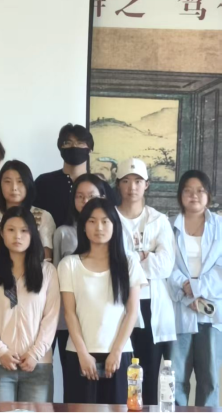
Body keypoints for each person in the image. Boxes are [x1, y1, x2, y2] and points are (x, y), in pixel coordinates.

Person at [58, 198, 146, 404]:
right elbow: (69, 313)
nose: (99, 227)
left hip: (119, 354)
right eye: (92, 221)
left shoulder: (129, 263)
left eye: (105, 221)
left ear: (115, 226)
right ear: (83, 226)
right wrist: (83, 354)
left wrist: (116, 352)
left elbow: (132, 312)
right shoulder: (69, 264)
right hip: (79, 354)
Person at [0, 206, 59, 402]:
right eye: (11, 230)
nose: (17, 236)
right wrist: (1, 351)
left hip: (37, 365)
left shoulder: (47, 271)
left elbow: (51, 317)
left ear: (33, 234)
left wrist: (35, 354)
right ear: (1, 233)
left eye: (24, 230)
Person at [115, 157, 176, 405]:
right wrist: (147, 255)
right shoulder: (109, 218)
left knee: (148, 376)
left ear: (147, 185)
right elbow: (111, 263)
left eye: (138, 181)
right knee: (121, 375)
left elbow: (166, 265)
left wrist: (133, 258)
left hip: (151, 306)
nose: (132, 187)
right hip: (119, 304)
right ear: (118, 184)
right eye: (126, 181)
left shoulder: (158, 220)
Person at [168, 170, 222, 407]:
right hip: (179, 308)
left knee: (209, 379)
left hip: (211, 311)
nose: (194, 195)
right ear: (180, 195)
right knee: (176, 379)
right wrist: (185, 290)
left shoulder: (220, 226)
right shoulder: (168, 226)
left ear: (208, 195)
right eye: (188, 190)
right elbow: (166, 266)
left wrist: (196, 288)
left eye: (200, 190)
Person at [52, 174, 108, 381]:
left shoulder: (110, 231)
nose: (85, 201)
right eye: (80, 196)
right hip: (68, 319)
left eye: (91, 195)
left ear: (103, 197)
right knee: (74, 380)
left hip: (102, 321)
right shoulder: (63, 233)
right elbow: (56, 277)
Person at [34, 124, 117, 228]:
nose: (74, 146)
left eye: (80, 143)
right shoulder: (43, 183)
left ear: (90, 150)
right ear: (60, 148)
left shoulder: (101, 186)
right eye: (67, 143)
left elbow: (112, 222)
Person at [0, 160, 54, 262]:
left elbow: (46, 260)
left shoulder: (43, 216)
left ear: (28, 184)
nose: (14, 188)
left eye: (20, 181)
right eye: (7, 182)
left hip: (32, 271)